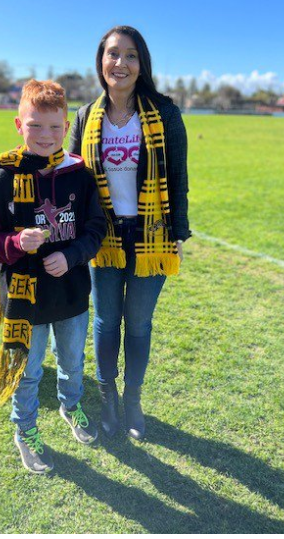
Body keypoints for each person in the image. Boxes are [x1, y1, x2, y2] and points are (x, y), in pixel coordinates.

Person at [0, 79, 106, 474]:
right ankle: (25, 430)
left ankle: (70, 406)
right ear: (19, 124)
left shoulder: (80, 176)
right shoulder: (3, 179)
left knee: (71, 361)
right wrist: (15, 243)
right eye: (35, 125)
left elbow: (96, 229)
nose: (45, 135)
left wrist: (71, 255)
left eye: (53, 127)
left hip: (70, 294)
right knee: (28, 374)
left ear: (66, 128)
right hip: (24, 302)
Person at [66, 25, 190, 441]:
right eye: (113, 54)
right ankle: (108, 400)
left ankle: (133, 400)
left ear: (142, 65)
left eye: (131, 55)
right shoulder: (85, 117)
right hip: (101, 238)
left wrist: (177, 232)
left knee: (137, 325)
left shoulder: (165, 113)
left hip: (150, 235)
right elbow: (69, 180)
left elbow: (178, 177)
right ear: (101, 61)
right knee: (105, 323)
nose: (121, 63)